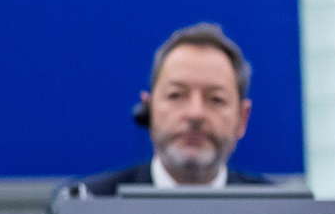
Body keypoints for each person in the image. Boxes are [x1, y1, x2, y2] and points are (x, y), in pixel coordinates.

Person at [66, 22, 269, 196]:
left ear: (242, 118)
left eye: (215, 99)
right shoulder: (88, 204)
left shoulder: (277, 211)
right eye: (176, 95)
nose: (195, 114)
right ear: (149, 108)